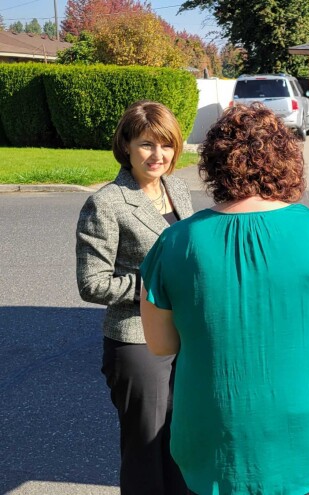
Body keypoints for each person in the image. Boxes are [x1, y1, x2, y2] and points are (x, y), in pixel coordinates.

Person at [139, 103, 309, 495]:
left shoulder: (175, 243)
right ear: (287, 162)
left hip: (219, 432)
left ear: (214, 165)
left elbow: (161, 344)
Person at [75, 100, 193, 495]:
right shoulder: (105, 202)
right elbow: (92, 283)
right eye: (146, 144)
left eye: (166, 145)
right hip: (137, 344)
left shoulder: (176, 188)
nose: (158, 155)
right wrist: (154, 285)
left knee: (182, 444)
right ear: (126, 145)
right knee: (146, 451)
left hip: (184, 338)